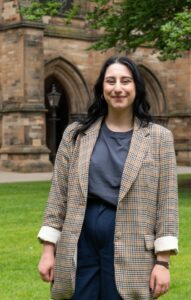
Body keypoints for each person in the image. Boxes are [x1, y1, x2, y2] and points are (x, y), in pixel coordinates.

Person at [38, 56, 179, 300]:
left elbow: (166, 202)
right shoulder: (75, 134)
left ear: (136, 87)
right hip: (81, 235)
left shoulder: (159, 138)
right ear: (102, 89)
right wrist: (48, 249)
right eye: (110, 81)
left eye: (125, 81)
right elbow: (58, 195)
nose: (118, 88)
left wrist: (162, 262)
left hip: (132, 238)